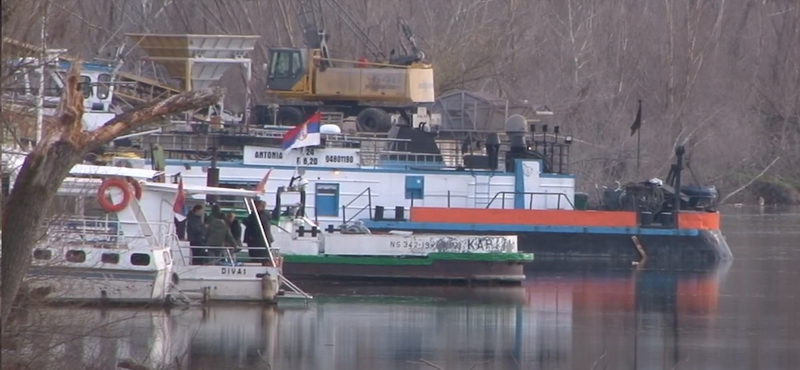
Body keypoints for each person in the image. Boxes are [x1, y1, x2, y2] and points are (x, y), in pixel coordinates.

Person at [243, 200, 275, 266]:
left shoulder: (260, 215)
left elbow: (254, 224)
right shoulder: (260, 215)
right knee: (258, 256)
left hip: (258, 241)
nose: (251, 206)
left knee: (258, 257)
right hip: (259, 240)